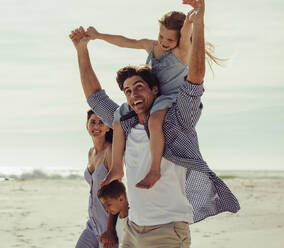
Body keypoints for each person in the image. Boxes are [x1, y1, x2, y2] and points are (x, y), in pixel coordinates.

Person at [69, 0, 240, 247]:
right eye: (128, 91)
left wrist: (197, 23)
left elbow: (196, 77)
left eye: (139, 87)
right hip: (131, 227)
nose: (133, 95)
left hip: (166, 229)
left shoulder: (177, 120)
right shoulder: (126, 122)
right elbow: (95, 97)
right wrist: (82, 48)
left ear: (154, 89)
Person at [86, 0, 222, 189]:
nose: (164, 42)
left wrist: (191, 21)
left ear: (180, 38)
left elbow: (187, 34)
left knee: (154, 121)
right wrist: (98, 36)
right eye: (161, 36)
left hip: (169, 100)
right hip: (149, 98)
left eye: (170, 40)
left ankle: (155, 169)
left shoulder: (182, 52)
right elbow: (126, 41)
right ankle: (117, 167)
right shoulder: (152, 46)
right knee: (118, 118)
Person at [75, 110, 115, 248]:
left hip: (107, 226)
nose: (96, 126)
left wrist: (110, 230)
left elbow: (116, 194)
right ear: (87, 125)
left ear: (107, 127)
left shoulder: (110, 151)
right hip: (92, 225)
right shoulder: (91, 152)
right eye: (93, 122)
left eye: (101, 122)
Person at [97, 180, 129, 246]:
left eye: (108, 204)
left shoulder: (133, 219)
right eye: (105, 205)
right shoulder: (119, 218)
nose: (106, 209)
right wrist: (106, 239)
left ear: (121, 199)